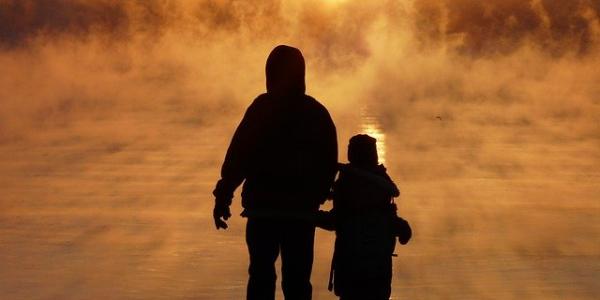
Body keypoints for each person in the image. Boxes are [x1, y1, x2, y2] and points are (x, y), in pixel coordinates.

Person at [212, 45, 338, 300]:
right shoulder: (317, 113)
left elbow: (239, 156)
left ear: (270, 74)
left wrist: (223, 195)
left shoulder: (261, 108)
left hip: (263, 212)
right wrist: (319, 194)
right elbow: (329, 162)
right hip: (300, 214)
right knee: (298, 282)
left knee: (260, 276)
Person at [317, 134, 410, 300]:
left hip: (351, 268)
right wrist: (402, 228)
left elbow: (336, 221)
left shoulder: (347, 182)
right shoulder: (381, 184)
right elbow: (386, 218)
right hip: (377, 269)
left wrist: (310, 216)